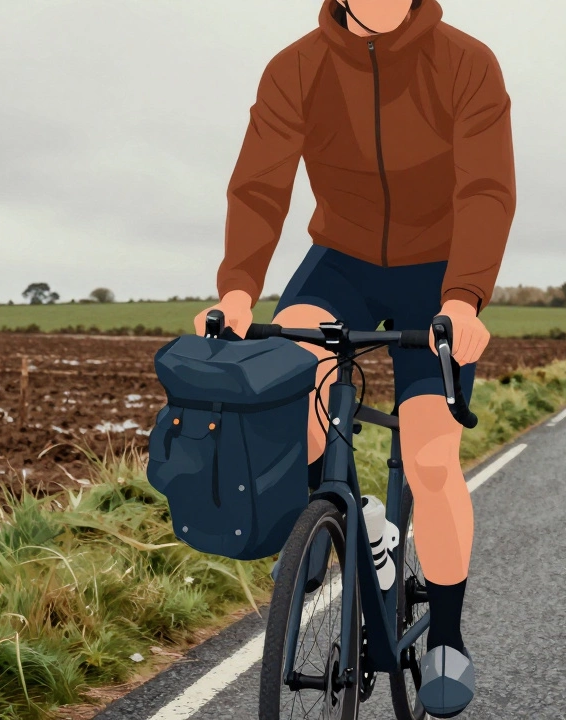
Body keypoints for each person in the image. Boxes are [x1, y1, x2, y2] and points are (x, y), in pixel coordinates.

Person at [195, 0, 515, 715]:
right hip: (340, 261)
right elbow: (260, 183)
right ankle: (341, 515)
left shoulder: (467, 63)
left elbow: (487, 188)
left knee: (431, 458)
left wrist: (464, 299)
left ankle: (448, 637)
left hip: (437, 273)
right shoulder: (297, 69)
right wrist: (240, 290)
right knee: (296, 373)